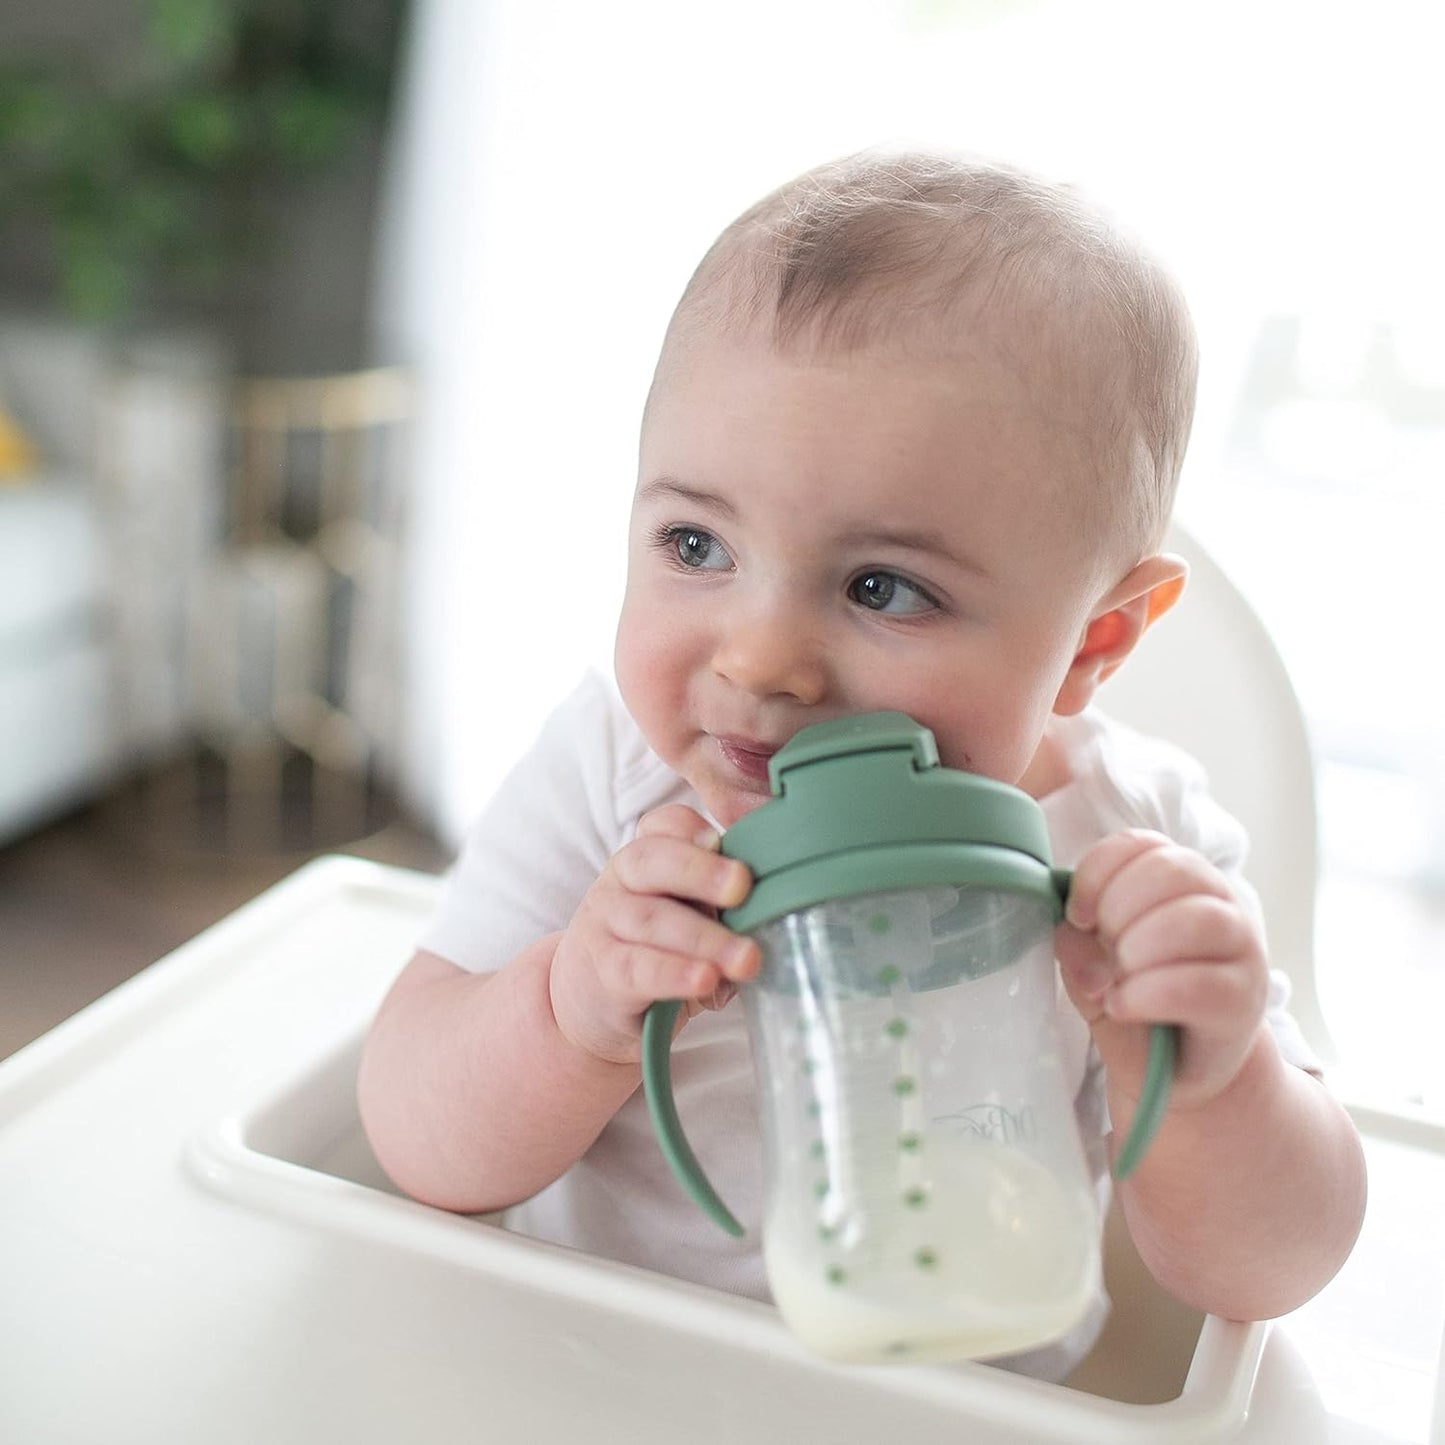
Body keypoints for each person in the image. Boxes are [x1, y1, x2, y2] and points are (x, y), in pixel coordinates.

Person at [357, 148, 1366, 1379]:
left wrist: (1211, 1079)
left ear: (1091, 643)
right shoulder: (618, 775)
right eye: (694, 542)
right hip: (580, 1375)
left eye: (881, 586)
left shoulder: (1128, 845)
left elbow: (1268, 1273)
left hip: (961, 1402)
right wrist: (568, 1008)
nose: (763, 657)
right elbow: (412, 1132)